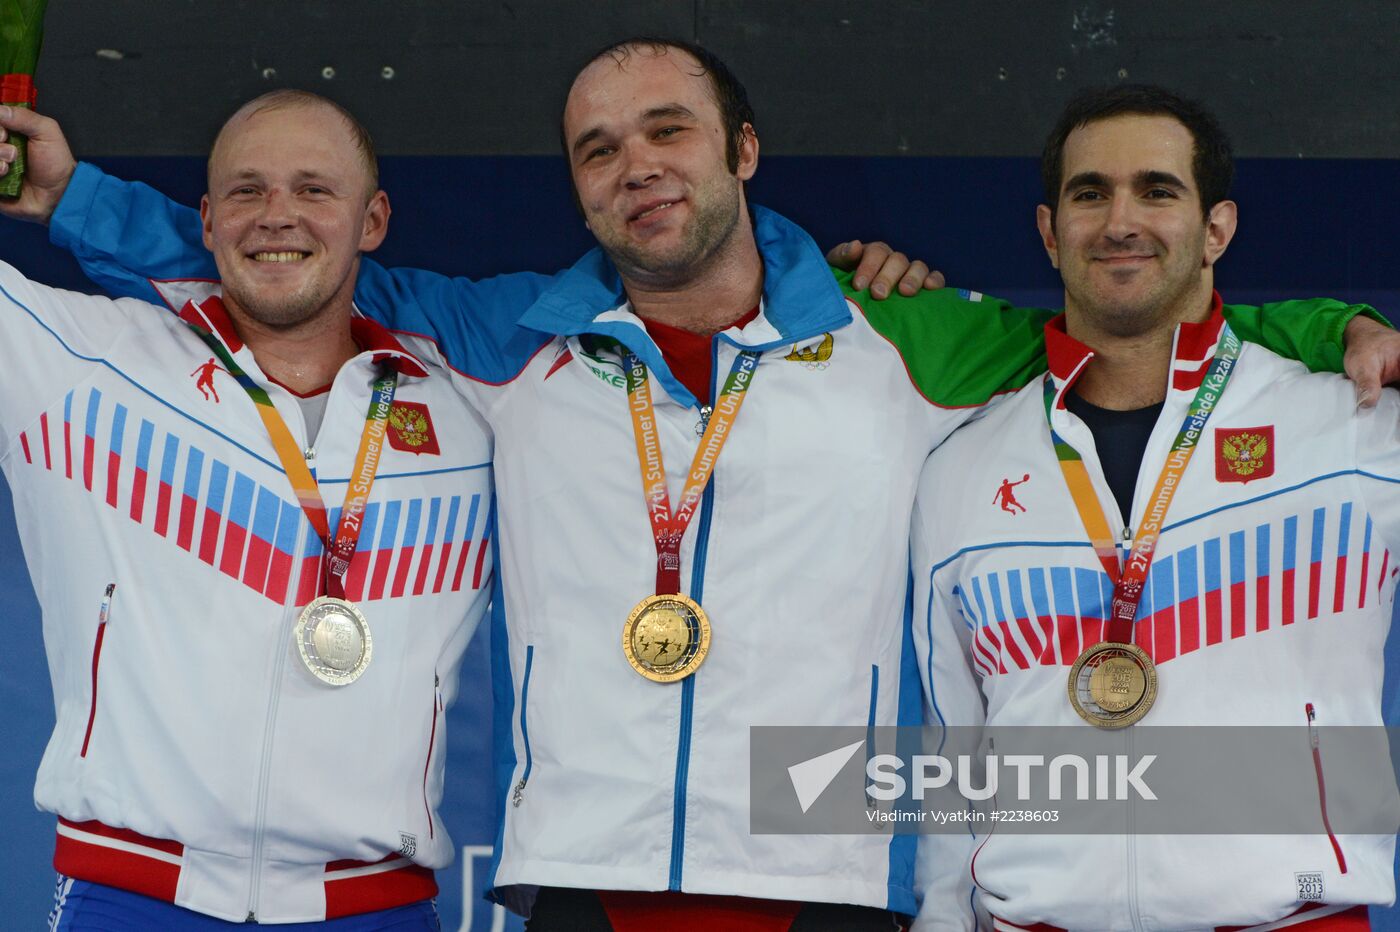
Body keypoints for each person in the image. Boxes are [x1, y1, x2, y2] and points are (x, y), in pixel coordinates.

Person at [5, 41, 1395, 930]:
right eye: (599, 151)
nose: (637, 169)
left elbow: (1128, 313)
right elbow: (293, 262)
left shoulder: (900, 339)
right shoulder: (511, 342)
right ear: (577, 189)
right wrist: (77, 203)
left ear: (740, 151)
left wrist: (1333, 330)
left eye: (667, 131)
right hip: (580, 882)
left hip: (822, 873)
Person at [911, 84, 1399, 930]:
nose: (1120, 221)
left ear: (1217, 230)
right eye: (1089, 193)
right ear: (1048, 231)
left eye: (1158, 190)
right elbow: (949, 750)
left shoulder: (1351, 424)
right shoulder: (960, 465)